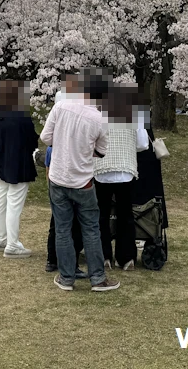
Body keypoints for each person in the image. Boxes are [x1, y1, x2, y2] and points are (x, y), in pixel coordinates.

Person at [40, 71, 120, 292]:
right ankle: (98, 278)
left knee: (63, 229)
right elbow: (102, 151)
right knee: (91, 228)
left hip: (57, 177)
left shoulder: (61, 107)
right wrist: (83, 149)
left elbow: (46, 138)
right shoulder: (99, 119)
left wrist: (63, 143)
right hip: (83, 180)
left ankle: (66, 278)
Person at [94, 83, 147, 270]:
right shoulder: (134, 111)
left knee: (102, 214)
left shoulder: (97, 110)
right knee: (126, 214)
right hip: (125, 168)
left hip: (102, 168)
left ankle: (104, 256)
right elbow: (142, 143)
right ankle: (127, 258)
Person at [0, 80, 38, 257]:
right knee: (14, 203)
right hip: (19, 164)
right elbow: (33, 140)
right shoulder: (22, 117)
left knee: (1, 198)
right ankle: (12, 243)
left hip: (1, 162)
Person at [45, 73, 84, 275]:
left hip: (57, 167)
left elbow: (46, 136)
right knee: (74, 221)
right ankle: (71, 263)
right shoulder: (76, 105)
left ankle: (52, 259)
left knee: (58, 220)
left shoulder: (60, 101)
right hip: (74, 168)